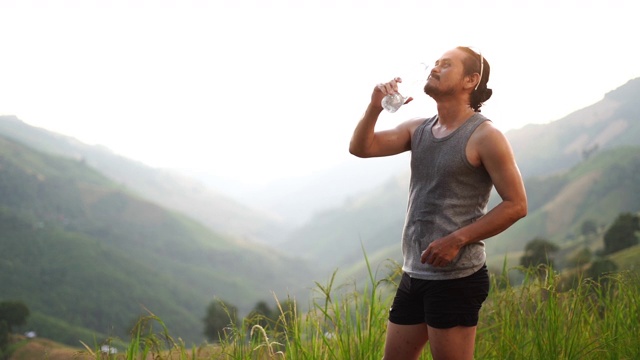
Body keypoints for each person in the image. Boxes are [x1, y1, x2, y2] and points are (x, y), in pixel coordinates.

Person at [349, 46, 528, 360]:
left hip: (456, 279)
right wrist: (374, 107)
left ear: (470, 81)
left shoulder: (485, 136)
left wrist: (457, 239)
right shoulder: (419, 129)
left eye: (446, 65)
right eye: (434, 63)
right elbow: (361, 148)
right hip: (415, 274)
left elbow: (516, 204)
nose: (434, 68)